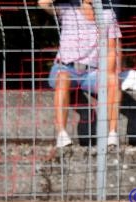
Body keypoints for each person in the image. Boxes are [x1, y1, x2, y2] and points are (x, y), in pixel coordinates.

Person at [38, 0, 122, 148]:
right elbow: (43, 3)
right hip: (65, 67)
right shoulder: (67, 9)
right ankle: (62, 134)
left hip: (92, 72)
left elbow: (111, 50)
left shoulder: (108, 15)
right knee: (62, 78)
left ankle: (112, 134)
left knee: (113, 80)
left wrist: (107, 75)